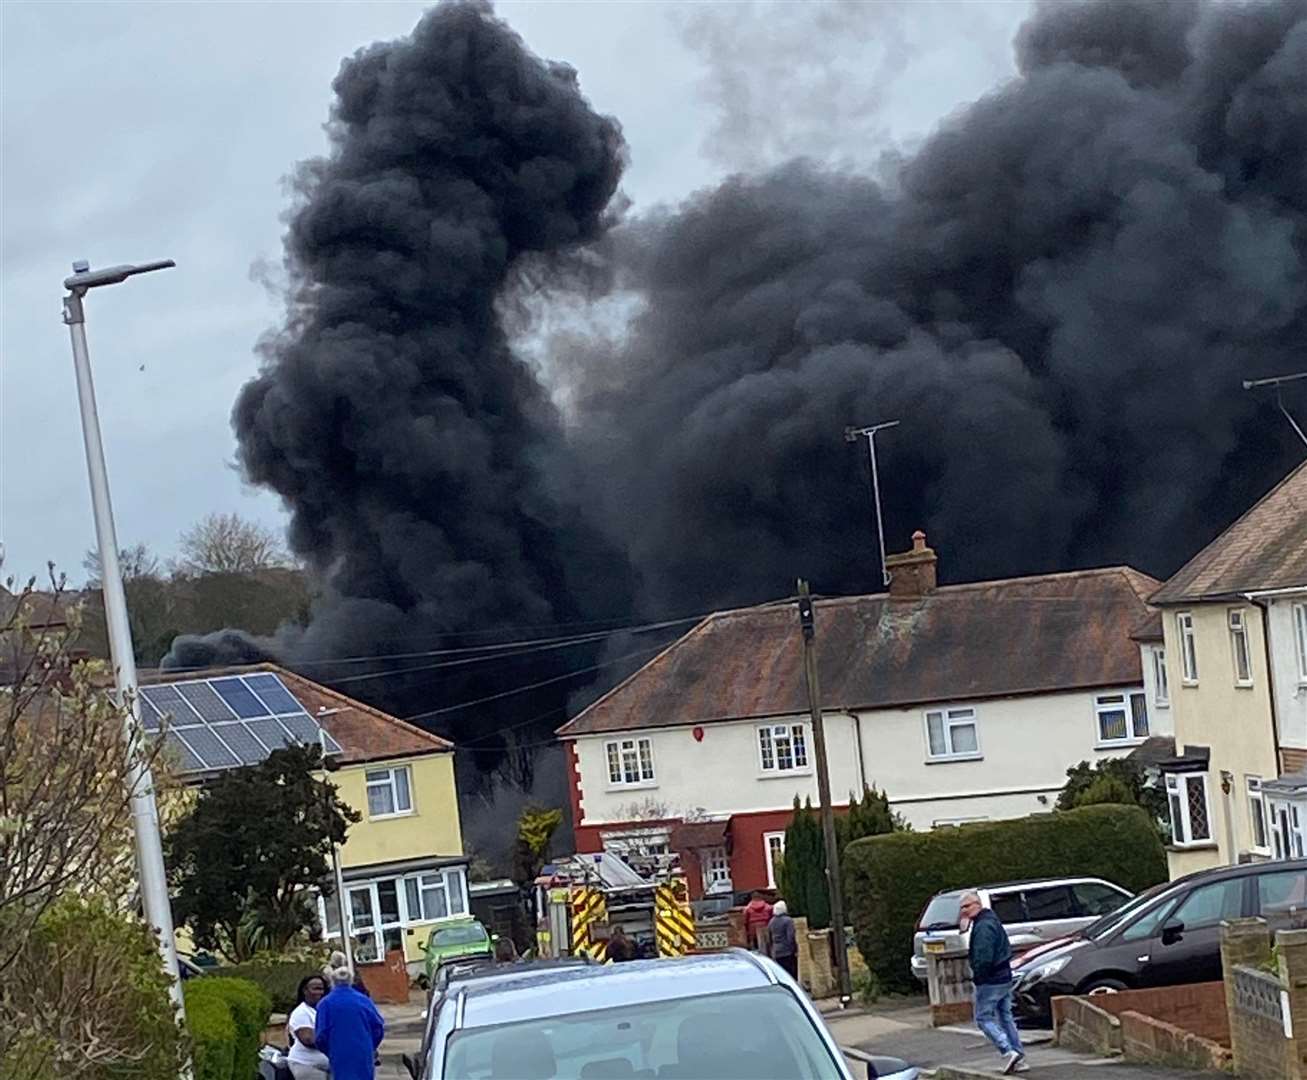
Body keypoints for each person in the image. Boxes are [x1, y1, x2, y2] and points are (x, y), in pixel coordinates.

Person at [961, 891, 1026, 1074]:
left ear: (977, 904)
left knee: (983, 1018)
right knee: (1005, 1016)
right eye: (962, 908)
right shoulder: (991, 920)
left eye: (967, 906)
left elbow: (983, 956)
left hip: (991, 979)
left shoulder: (983, 927)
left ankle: (1007, 1050)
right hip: (1004, 976)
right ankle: (1019, 1056)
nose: (963, 911)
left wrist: (979, 975)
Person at [316, 965, 386, 1080]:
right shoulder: (364, 1000)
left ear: (332, 981)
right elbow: (378, 1027)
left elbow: (321, 1036)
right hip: (363, 1051)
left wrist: (329, 1050)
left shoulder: (325, 1004)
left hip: (338, 1053)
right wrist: (370, 1046)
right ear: (351, 980)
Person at [286, 974, 330, 1079]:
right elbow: (308, 1040)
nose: (320, 992)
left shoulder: (323, 1010)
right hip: (307, 1065)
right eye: (315, 989)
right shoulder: (301, 1012)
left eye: (322, 989)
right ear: (305, 991)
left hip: (328, 1065)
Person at [768, 899, 799, 980]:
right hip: (787, 951)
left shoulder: (771, 922)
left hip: (776, 952)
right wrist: (794, 949)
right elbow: (790, 936)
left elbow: (769, 937)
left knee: (782, 974)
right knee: (792, 974)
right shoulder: (788, 921)